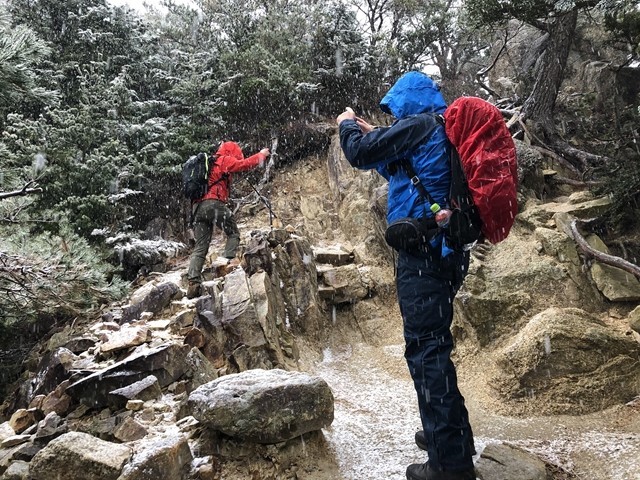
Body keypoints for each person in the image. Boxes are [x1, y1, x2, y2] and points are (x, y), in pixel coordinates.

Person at [336, 71, 476, 480]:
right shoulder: (440, 128)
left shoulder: (417, 126)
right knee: (436, 347)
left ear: (406, 103)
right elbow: (403, 171)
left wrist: (347, 124)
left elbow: (360, 155)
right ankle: (451, 438)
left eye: (396, 110)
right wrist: (375, 132)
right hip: (449, 252)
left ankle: (448, 465)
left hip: (424, 257)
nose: (394, 118)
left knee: (426, 352)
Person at [186, 141, 270, 299]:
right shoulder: (224, 159)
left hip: (197, 209)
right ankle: (228, 262)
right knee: (233, 233)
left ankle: (193, 282)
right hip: (213, 204)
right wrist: (261, 155)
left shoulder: (209, 163)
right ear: (233, 152)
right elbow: (244, 164)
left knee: (200, 247)